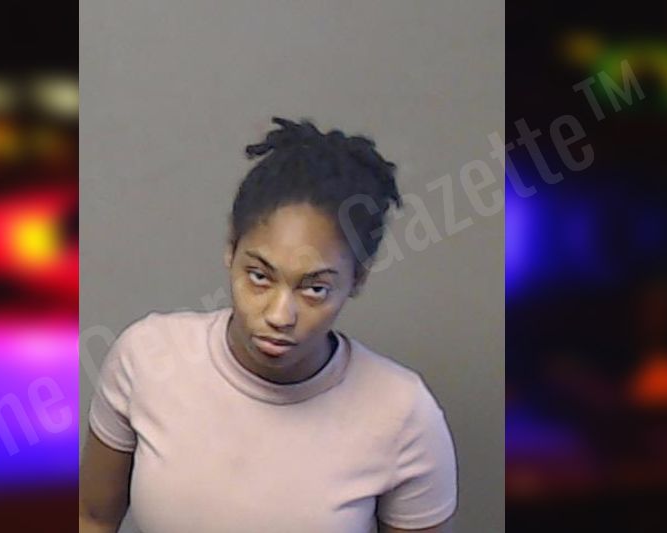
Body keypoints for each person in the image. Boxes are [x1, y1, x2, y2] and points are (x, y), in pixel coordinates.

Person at [79, 117, 458, 533]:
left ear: (357, 279)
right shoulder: (146, 358)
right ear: (231, 249)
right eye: (259, 276)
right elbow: (92, 517)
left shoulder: (403, 415)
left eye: (314, 288)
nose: (279, 316)